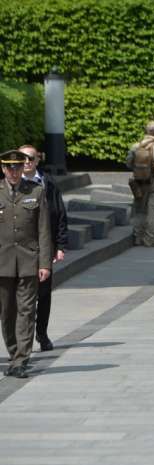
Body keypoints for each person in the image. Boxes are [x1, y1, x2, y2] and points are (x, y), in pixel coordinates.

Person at [0, 150, 51, 378]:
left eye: (18, 167)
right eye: (9, 168)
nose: (14, 172)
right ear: (3, 169)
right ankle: (13, 352)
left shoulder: (36, 192)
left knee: (27, 311)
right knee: (7, 312)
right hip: (3, 262)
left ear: (23, 168)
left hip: (29, 260)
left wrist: (45, 263)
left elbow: (43, 230)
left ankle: (22, 358)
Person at [19, 145, 67, 352]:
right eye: (23, 158)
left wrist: (60, 244)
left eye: (31, 158)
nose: (27, 161)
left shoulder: (48, 184)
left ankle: (42, 333)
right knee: (19, 296)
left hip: (43, 246)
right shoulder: (9, 184)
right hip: (18, 247)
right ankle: (23, 338)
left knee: (44, 293)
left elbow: (60, 213)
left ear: (38, 160)